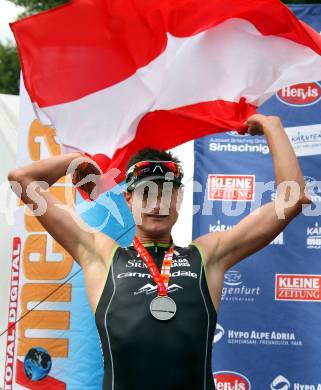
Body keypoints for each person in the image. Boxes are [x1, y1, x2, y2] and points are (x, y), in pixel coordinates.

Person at [8, 114, 311, 390]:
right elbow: (22, 180)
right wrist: (73, 161)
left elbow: (292, 199)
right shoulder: (101, 255)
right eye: (146, 192)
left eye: (167, 192)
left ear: (179, 199)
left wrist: (273, 127)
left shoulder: (208, 256)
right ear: (128, 200)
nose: (157, 203)